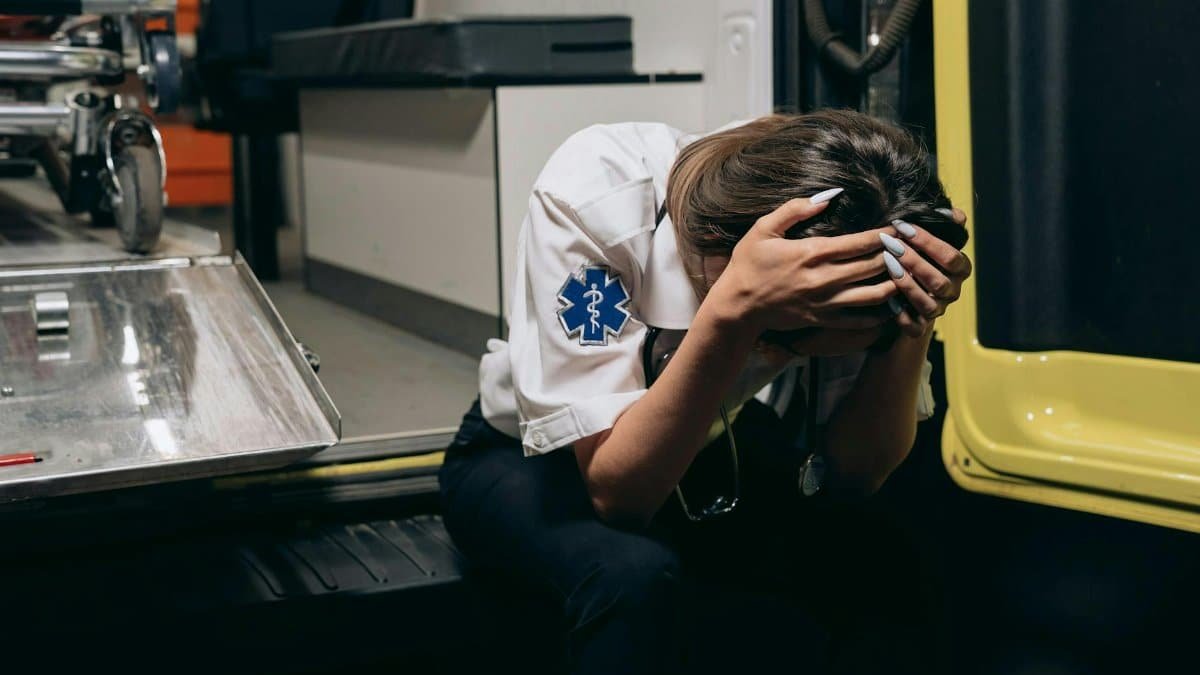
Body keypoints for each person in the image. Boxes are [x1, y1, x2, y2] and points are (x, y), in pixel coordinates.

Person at [439, 109, 972, 674]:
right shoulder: (598, 193)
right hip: (529, 458)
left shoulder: (848, 208)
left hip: (715, 435)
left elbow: (854, 476)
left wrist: (915, 320)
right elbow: (618, 495)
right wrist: (732, 315)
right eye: (789, 347)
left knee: (891, 552)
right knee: (633, 576)